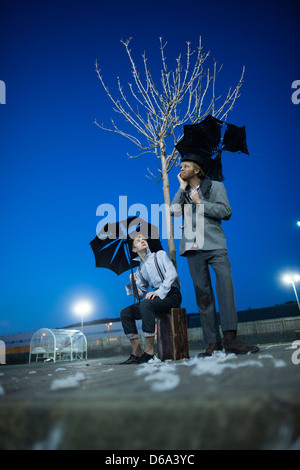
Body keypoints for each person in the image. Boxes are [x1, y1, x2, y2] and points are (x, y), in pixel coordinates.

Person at [170, 154, 259, 356]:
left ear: (197, 170)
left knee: (225, 287)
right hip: (192, 248)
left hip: (215, 245)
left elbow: (226, 211)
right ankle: (212, 343)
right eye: (181, 166)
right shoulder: (183, 193)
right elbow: (174, 213)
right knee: (203, 296)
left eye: (186, 166)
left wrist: (201, 202)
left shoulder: (216, 187)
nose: (181, 169)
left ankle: (231, 339)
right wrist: (181, 188)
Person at [120, 234, 182, 364]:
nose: (142, 240)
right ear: (134, 249)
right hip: (155, 300)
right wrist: (133, 284)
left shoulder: (159, 255)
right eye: (138, 240)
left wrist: (159, 292)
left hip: (172, 295)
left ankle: (149, 352)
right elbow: (141, 295)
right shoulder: (140, 268)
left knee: (146, 304)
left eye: (143, 239)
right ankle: (136, 352)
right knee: (125, 313)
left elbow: (172, 274)